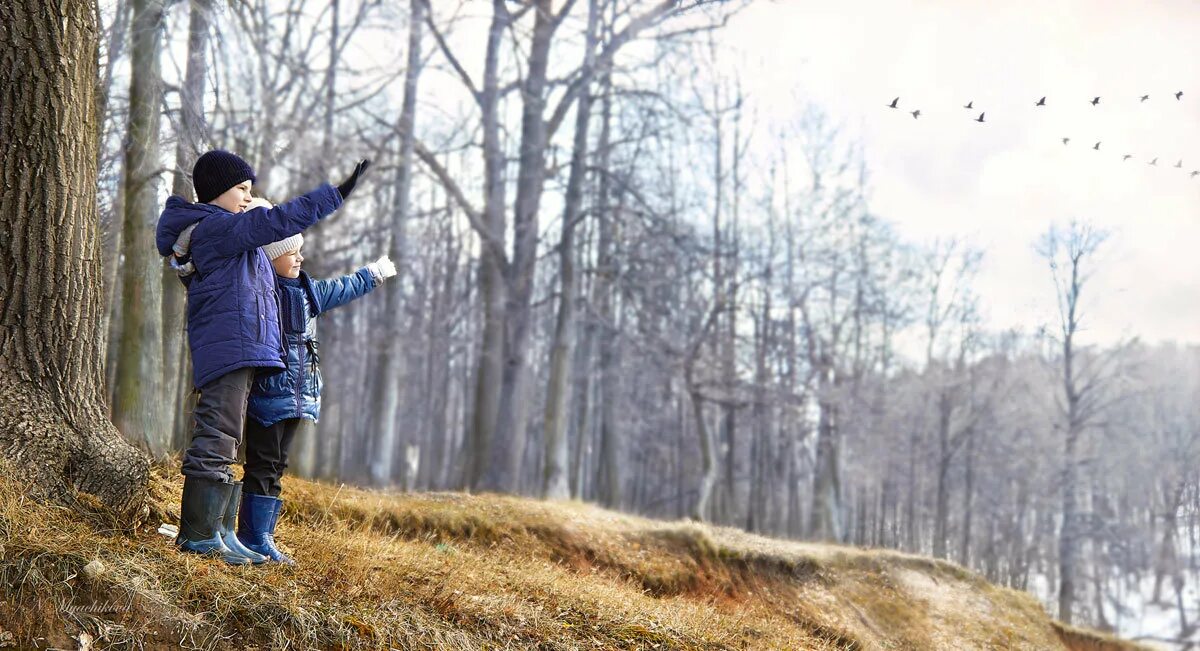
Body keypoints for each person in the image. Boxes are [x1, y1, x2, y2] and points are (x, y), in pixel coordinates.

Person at [154, 150, 370, 565]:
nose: (249, 198)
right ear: (218, 192)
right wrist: (334, 195)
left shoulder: (230, 232)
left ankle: (221, 530)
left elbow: (269, 240)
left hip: (245, 346)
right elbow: (271, 223)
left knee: (230, 435)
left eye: (251, 191)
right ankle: (198, 535)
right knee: (217, 432)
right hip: (229, 346)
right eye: (242, 190)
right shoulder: (216, 230)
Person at [236, 215, 396, 564]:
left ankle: (264, 535)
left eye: (300, 251)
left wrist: (373, 274)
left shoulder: (309, 292)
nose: (299, 258)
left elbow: (343, 288)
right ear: (270, 257)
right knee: (261, 464)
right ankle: (250, 535)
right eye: (291, 252)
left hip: (297, 397)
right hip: (265, 396)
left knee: (278, 463)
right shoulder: (260, 293)